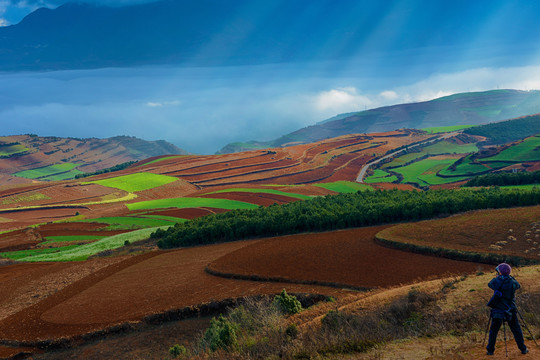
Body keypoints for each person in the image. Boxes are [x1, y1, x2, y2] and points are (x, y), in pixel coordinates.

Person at [486, 263, 528, 356]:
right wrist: (510, 278)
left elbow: (490, 284)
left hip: (498, 310)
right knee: (516, 329)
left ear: (499, 272)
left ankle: (490, 350)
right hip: (510, 309)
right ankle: (523, 349)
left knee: (494, 330)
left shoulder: (496, 281)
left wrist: (498, 277)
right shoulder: (513, 282)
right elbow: (518, 286)